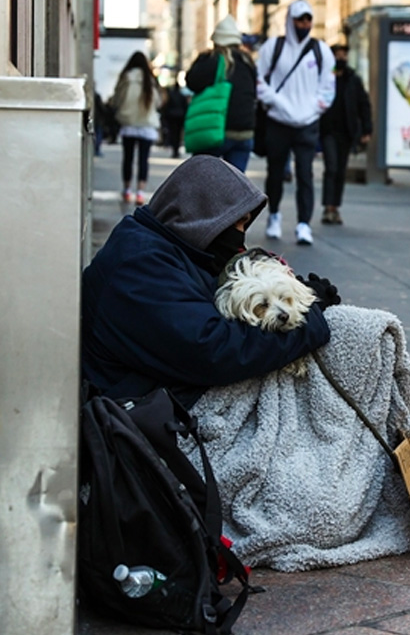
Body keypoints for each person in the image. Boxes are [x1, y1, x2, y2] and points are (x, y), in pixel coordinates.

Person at [81, 155, 337, 406]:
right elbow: (215, 350)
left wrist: (295, 293)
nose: (241, 235)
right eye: (236, 223)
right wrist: (308, 316)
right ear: (203, 215)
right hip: (140, 412)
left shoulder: (169, 246)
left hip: (162, 392)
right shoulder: (140, 265)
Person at [255, 0, 336, 246]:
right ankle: (274, 215)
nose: (304, 24)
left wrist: (310, 110)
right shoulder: (273, 47)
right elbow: (259, 81)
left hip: (307, 124)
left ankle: (303, 224)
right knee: (275, 173)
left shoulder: (322, 51)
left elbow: (327, 89)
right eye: (300, 19)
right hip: (278, 122)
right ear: (290, 20)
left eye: (308, 19)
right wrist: (280, 104)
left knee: (305, 174)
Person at [186, 15, 258, 172]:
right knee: (235, 187)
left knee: (204, 180)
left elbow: (191, 81)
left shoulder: (212, 60)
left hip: (216, 131)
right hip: (244, 133)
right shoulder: (248, 62)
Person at [318, 44, 373, 226]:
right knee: (331, 168)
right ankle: (328, 207)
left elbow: (363, 104)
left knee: (340, 171)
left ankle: (335, 207)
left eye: (344, 55)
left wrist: (366, 129)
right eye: (338, 55)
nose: (341, 58)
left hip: (347, 132)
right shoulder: (325, 76)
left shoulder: (353, 79)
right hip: (328, 131)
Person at [108, 51, 162, 205]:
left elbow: (117, 99)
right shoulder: (150, 79)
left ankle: (126, 190)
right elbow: (157, 102)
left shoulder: (126, 77)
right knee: (144, 159)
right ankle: (140, 192)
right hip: (146, 124)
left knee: (128, 158)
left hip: (129, 122)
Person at [161, 81, 189, 158]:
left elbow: (166, 106)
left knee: (173, 134)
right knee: (178, 134)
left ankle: (174, 150)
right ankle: (176, 150)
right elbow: (185, 107)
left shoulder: (171, 95)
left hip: (172, 117)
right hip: (179, 117)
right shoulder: (182, 96)